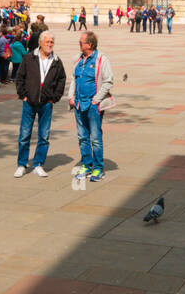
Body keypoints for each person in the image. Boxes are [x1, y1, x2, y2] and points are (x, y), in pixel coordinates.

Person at [13, 31, 66, 178]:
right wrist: (23, 95)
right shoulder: (29, 57)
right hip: (29, 102)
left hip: (46, 103)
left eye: (51, 42)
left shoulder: (56, 61)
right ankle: (22, 164)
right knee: (24, 135)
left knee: (44, 136)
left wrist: (54, 98)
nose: (49, 44)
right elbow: (20, 77)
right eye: (47, 42)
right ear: (40, 43)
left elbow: (62, 80)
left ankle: (38, 164)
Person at [67, 31, 113, 182]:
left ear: (90, 44)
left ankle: (98, 168)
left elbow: (108, 81)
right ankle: (87, 164)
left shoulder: (101, 59)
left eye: (81, 42)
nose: (79, 44)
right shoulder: (78, 59)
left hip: (93, 105)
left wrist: (96, 100)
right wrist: (71, 97)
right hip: (79, 104)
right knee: (82, 137)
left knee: (95, 138)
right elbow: (74, 78)